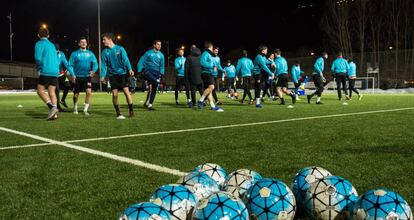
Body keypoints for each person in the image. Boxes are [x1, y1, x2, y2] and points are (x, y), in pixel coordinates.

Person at [100, 33, 134, 119]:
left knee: (126, 92)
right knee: (115, 95)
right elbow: (103, 65)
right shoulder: (104, 52)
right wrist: (102, 76)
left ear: (109, 39)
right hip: (112, 75)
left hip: (122, 74)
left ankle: (131, 111)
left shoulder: (120, 49)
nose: (103, 41)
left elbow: (126, 59)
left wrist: (130, 69)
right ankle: (118, 113)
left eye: (104, 39)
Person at [67, 37, 98, 115]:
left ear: (86, 44)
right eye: (82, 42)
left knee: (89, 92)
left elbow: (95, 63)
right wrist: (73, 75)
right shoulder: (74, 54)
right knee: (76, 94)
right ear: (79, 44)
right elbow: (70, 65)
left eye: (85, 42)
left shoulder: (90, 54)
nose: (84, 43)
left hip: (87, 76)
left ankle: (85, 110)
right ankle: (75, 107)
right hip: (77, 77)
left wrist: (94, 70)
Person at [34, 27, 60, 120]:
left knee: (40, 91)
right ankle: (55, 114)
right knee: (51, 92)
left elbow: (38, 58)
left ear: (38, 35)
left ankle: (52, 108)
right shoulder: (52, 45)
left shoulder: (39, 43)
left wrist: (39, 68)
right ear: (48, 36)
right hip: (55, 71)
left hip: (46, 70)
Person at [137, 40, 165, 111]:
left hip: (156, 73)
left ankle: (150, 105)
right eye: (158, 44)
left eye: (160, 45)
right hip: (148, 72)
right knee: (155, 82)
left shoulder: (161, 55)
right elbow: (141, 62)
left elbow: (162, 66)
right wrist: (139, 72)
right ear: (154, 45)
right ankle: (157, 81)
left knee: (154, 89)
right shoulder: (148, 53)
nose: (159, 46)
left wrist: (162, 74)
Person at [198, 41, 224, 112]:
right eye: (212, 48)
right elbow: (202, 63)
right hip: (206, 73)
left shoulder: (210, 54)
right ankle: (200, 100)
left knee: (209, 90)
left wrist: (222, 70)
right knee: (212, 87)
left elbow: (217, 65)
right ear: (210, 47)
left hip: (209, 73)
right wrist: (212, 66)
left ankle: (212, 106)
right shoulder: (205, 53)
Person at [54, 43, 69, 111]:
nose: (56, 52)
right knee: (57, 90)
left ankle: (62, 100)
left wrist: (68, 69)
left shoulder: (62, 54)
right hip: (54, 75)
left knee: (68, 85)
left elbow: (65, 62)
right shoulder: (50, 54)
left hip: (61, 74)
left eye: (57, 50)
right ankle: (58, 107)